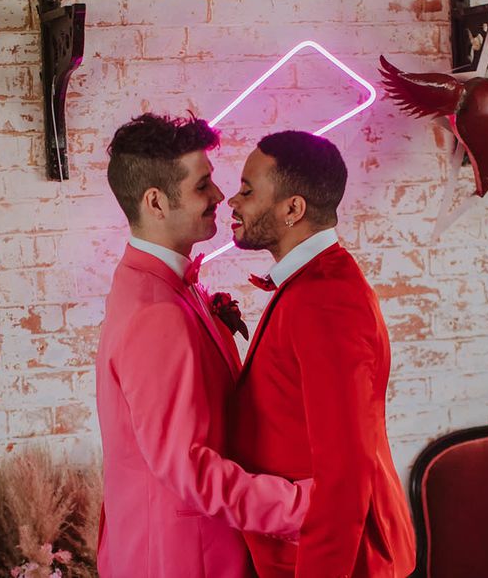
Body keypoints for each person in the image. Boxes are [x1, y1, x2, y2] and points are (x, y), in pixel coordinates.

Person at [95, 114, 310, 578]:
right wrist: (300, 507)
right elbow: (187, 466)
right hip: (184, 557)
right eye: (202, 186)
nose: (219, 197)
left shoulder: (157, 284)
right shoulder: (156, 314)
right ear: (155, 201)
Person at [227, 130, 416, 578]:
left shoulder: (327, 298)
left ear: (293, 209)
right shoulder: (312, 283)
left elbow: (345, 471)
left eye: (248, 191)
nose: (232, 201)